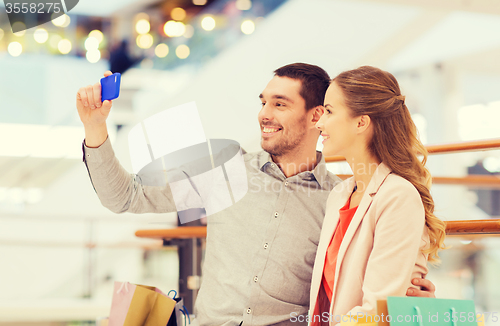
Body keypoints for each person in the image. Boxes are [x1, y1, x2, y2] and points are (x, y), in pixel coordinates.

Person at [76, 64, 436, 326]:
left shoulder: (337, 198)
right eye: (263, 102)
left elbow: (359, 279)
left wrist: (406, 295)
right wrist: (95, 128)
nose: (263, 114)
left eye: (280, 104)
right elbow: (125, 197)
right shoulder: (226, 173)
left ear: (316, 117)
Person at [310, 66, 446, 325]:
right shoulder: (339, 194)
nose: (319, 123)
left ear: (361, 122)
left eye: (329, 111)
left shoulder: (397, 195)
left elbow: (377, 312)